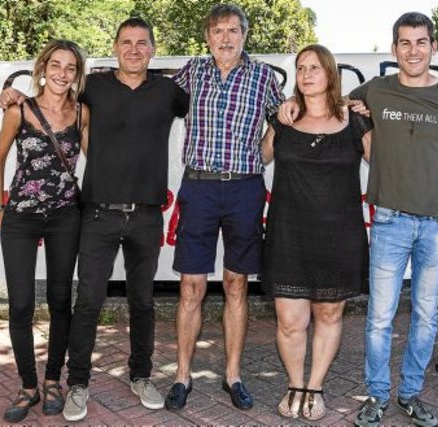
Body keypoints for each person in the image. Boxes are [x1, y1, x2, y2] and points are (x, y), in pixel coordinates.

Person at [281, 11, 438, 427]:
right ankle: (376, 395)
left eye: (421, 42)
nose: (413, 50)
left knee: (426, 316)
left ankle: (410, 393)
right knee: (378, 318)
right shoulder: (375, 90)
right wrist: (294, 102)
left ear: (433, 47)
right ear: (394, 49)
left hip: (436, 226)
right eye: (405, 43)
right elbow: (329, 101)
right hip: (389, 222)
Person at [0, 18, 189, 422]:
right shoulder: (94, 88)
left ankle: (141, 376)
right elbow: (53, 93)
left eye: (142, 43)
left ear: (153, 49)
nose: (134, 49)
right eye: (126, 42)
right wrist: (12, 93)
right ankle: (78, 383)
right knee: (87, 302)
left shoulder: (170, 91)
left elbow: (206, 102)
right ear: (115, 47)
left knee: (142, 302)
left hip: (147, 215)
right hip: (98, 214)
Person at [163, 3, 285, 412]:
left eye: (233, 30)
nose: (226, 38)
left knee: (236, 284)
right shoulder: (192, 72)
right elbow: (146, 94)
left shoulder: (264, 76)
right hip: (198, 188)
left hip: (244, 190)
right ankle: (182, 376)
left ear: (244, 35)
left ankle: (233, 375)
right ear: (207, 37)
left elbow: (285, 119)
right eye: (218, 31)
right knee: (191, 287)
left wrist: (261, 155)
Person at [260, 44, 372, 421]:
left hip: (339, 237)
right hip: (289, 236)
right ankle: (295, 384)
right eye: (301, 68)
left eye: (315, 68)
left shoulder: (355, 121)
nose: (307, 74)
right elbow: (259, 157)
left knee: (328, 314)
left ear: (330, 74)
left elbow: (387, 161)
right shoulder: (284, 120)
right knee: (290, 321)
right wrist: (275, 115)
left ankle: (315, 387)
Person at [0, 39, 85, 423]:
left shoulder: (83, 113)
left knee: (60, 301)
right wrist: (0, 207)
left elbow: (97, 160)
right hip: (21, 218)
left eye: (71, 67)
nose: (62, 73)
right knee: (21, 304)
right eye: (56, 65)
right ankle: (28, 385)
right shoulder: (19, 109)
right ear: (43, 68)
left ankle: (52, 381)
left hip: (65, 217)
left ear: (77, 75)